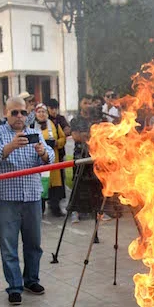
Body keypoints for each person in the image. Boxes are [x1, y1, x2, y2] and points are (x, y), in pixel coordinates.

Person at [0, 97, 53, 305]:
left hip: (32, 196)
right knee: (9, 245)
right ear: (6, 113)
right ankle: (14, 287)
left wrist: (43, 153)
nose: (19, 117)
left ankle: (31, 280)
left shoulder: (34, 134)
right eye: (14, 112)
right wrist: (11, 146)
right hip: (7, 198)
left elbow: (50, 156)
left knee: (34, 243)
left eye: (23, 113)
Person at [68, 95, 101, 224]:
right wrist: (89, 136)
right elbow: (76, 136)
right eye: (85, 102)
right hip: (80, 155)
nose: (88, 105)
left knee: (96, 183)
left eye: (90, 103)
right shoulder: (76, 120)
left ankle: (97, 211)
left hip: (94, 155)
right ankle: (75, 212)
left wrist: (87, 135)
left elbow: (100, 136)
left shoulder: (96, 120)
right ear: (80, 104)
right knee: (78, 183)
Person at [36, 103, 67, 217]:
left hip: (54, 159)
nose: (41, 114)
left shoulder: (54, 124)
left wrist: (56, 143)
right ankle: (40, 209)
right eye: (39, 112)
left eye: (43, 112)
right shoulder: (31, 126)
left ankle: (55, 208)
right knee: (41, 184)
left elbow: (63, 138)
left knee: (55, 185)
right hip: (38, 161)